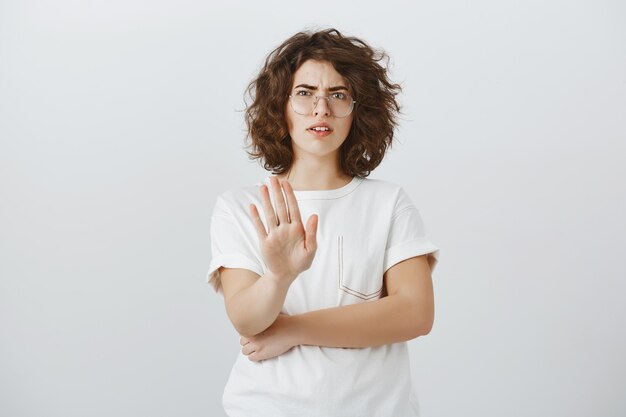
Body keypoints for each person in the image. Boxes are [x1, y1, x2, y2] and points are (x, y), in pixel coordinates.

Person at [206, 27, 440, 417]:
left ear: (358, 111)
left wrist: (294, 330)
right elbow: (247, 319)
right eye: (305, 93)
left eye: (338, 95)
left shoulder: (387, 202)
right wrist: (279, 276)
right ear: (280, 107)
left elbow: (415, 313)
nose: (321, 109)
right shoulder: (240, 206)